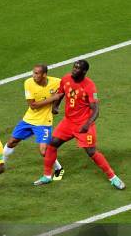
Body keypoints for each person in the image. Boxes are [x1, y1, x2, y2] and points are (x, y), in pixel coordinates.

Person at [34, 60, 125, 189]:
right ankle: (47, 176)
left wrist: (88, 124)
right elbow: (60, 93)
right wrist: (56, 106)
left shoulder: (89, 86)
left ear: (84, 71)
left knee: (91, 152)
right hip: (68, 122)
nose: (74, 70)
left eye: (77, 68)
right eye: (74, 67)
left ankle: (113, 177)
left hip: (83, 124)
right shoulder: (65, 79)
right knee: (52, 143)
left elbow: (96, 109)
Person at [3, 64, 63, 179]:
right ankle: (0, 165)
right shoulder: (29, 83)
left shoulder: (57, 82)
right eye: (33, 73)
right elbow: (33, 105)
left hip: (44, 122)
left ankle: (59, 169)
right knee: (11, 142)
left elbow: (64, 89)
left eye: (36, 73)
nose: (33, 75)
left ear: (44, 75)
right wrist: (53, 99)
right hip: (29, 119)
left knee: (44, 151)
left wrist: (56, 106)